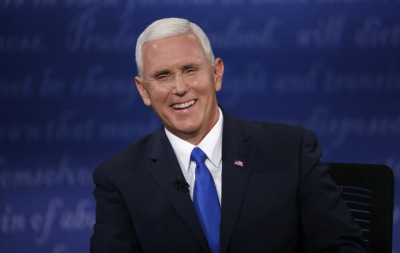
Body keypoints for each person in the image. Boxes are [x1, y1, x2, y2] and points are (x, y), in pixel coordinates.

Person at [90, 17, 367, 253]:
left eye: (190, 70)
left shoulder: (291, 150)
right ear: (143, 91)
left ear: (217, 74)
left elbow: (342, 246)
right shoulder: (118, 178)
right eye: (162, 76)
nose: (180, 87)